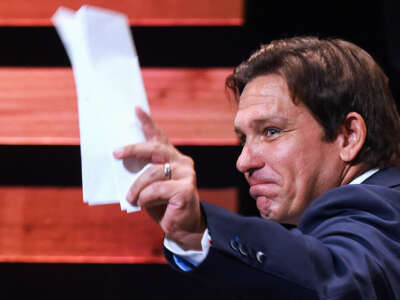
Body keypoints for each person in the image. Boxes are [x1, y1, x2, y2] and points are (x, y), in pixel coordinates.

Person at [113, 36, 400, 299]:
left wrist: (198, 228)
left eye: (271, 131)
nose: (243, 162)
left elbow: (341, 280)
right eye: (243, 138)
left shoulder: (384, 210)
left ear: (348, 136)